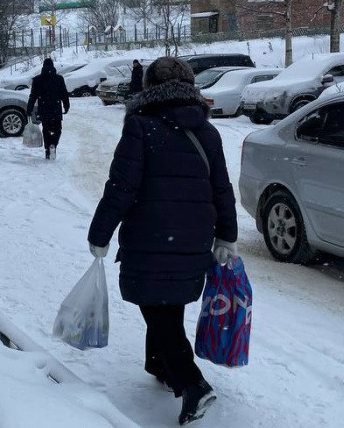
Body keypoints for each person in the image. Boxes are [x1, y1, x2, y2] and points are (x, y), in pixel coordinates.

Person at [87, 57, 238, 426]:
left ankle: (193, 385)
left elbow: (122, 187)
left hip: (151, 236)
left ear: (149, 88)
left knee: (158, 308)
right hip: (194, 238)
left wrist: (100, 233)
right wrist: (226, 235)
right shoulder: (207, 132)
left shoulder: (141, 126)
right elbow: (221, 188)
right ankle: (160, 365)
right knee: (168, 304)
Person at [27, 58, 70, 160]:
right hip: (56, 107)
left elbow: (33, 96)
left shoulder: (37, 80)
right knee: (58, 129)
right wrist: (66, 105)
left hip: (44, 108)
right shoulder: (59, 79)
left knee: (46, 130)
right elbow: (64, 93)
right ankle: (54, 144)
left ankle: (47, 150)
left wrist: (29, 109)